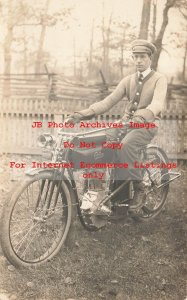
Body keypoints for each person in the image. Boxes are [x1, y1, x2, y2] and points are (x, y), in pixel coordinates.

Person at [67, 39, 168, 212]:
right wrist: (82, 114)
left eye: (142, 57)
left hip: (147, 125)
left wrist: (143, 117)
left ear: (150, 58)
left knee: (126, 146)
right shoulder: (128, 80)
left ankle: (139, 188)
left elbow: (157, 103)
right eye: (135, 57)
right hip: (125, 124)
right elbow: (108, 101)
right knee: (97, 145)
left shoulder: (159, 79)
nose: (138, 61)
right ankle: (96, 192)